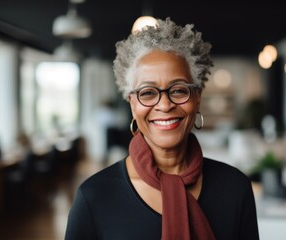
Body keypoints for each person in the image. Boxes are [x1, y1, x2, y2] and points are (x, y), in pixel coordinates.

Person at [65, 18, 259, 240]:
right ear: (132, 104)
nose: (165, 105)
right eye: (148, 92)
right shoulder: (94, 197)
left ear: (197, 98)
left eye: (178, 90)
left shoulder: (235, 188)